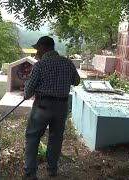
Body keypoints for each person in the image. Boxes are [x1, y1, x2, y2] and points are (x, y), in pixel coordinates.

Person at [23, 36, 80, 179]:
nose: (37, 52)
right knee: (56, 138)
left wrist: (26, 94)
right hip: (61, 106)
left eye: (37, 49)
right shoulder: (68, 63)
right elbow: (77, 81)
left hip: (43, 106)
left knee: (32, 137)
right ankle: (52, 169)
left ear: (44, 47)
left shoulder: (40, 65)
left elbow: (28, 91)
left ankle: (30, 173)